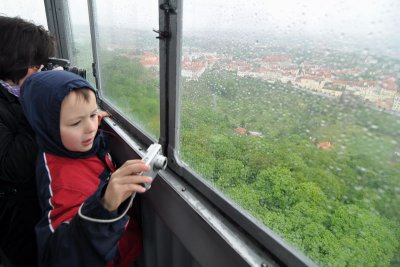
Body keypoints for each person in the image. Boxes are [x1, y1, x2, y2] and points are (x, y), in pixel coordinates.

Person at [20, 70, 153, 267]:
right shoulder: (61, 183)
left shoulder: (70, 144)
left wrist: (87, 118)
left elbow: (84, 125)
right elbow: (60, 258)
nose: (91, 127)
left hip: (120, 250)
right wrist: (104, 208)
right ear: (47, 128)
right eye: (76, 122)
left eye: (93, 114)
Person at [0, 15, 56, 267]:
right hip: (14, 216)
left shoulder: (15, 90)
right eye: (34, 64)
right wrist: (35, 102)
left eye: (41, 65)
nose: (38, 71)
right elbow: (14, 164)